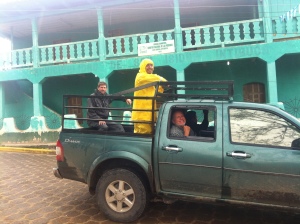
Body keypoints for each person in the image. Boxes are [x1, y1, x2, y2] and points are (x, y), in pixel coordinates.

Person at [132, 58, 167, 134]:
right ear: (142, 66)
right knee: (143, 137)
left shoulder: (150, 81)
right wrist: (164, 82)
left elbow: (156, 93)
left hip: (148, 113)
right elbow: (157, 78)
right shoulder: (140, 77)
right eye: (147, 65)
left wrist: (162, 87)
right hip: (141, 115)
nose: (150, 67)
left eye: (151, 65)